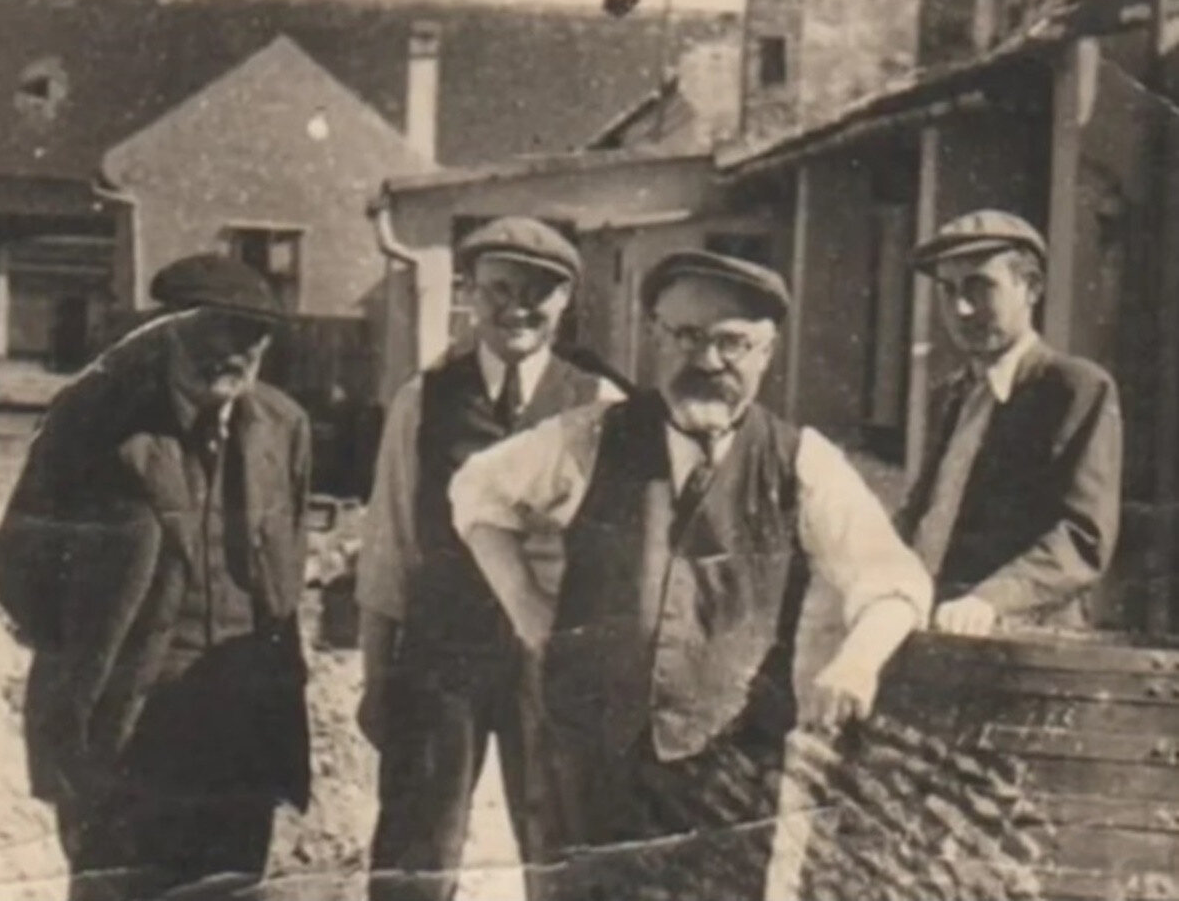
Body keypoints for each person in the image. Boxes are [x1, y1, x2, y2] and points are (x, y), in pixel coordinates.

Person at [447, 249, 933, 900]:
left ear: (767, 351)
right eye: (686, 336)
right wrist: (527, 608)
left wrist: (858, 662)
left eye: (732, 343)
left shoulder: (800, 461)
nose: (706, 361)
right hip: (591, 762)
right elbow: (476, 491)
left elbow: (896, 580)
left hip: (728, 773)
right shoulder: (591, 436)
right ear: (654, 337)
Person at [0, 253, 312, 901]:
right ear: (170, 330)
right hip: (124, 716)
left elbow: (290, 553)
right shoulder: (94, 417)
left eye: (252, 333)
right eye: (215, 329)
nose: (234, 351)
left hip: (242, 721)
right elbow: (21, 564)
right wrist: (91, 645)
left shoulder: (284, 427)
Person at [356, 216, 622, 901]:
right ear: (470, 292)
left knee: (566, 851)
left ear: (566, 299)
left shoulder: (601, 405)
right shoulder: (422, 400)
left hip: (553, 665)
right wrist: (376, 673)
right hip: (442, 659)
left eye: (538, 291)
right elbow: (389, 545)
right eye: (500, 288)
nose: (517, 308)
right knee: (417, 854)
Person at [899, 209, 1123, 635]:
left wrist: (991, 599)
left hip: (1024, 638)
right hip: (935, 629)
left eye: (980, 287)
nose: (961, 308)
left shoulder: (1073, 389)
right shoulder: (952, 395)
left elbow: (1082, 537)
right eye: (948, 290)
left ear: (1031, 287)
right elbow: (927, 514)